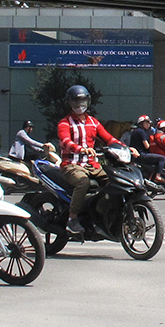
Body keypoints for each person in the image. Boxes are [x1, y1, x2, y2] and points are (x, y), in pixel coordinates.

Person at [58, 85, 132, 234]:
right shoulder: (64, 123)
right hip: (71, 165)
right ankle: (72, 218)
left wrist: (126, 148)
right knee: (83, 182)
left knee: (114, 182)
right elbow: (65, 141)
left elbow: (109, 138)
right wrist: (80, 149)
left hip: (92, 165)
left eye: (82, 101)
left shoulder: (93, 122)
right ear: (70, 103)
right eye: (75, 102)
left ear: (88, 102)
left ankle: (100, 215)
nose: (79, 105)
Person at [130, 115, 165, 183]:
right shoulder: (142, 132)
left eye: (149, 123)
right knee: (162, 158)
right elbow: (147, 146)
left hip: (136, 155)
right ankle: (158, 176)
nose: (148, 124)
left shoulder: (135, 131)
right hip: (141, 154)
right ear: (141, 123)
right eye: (146, 122)